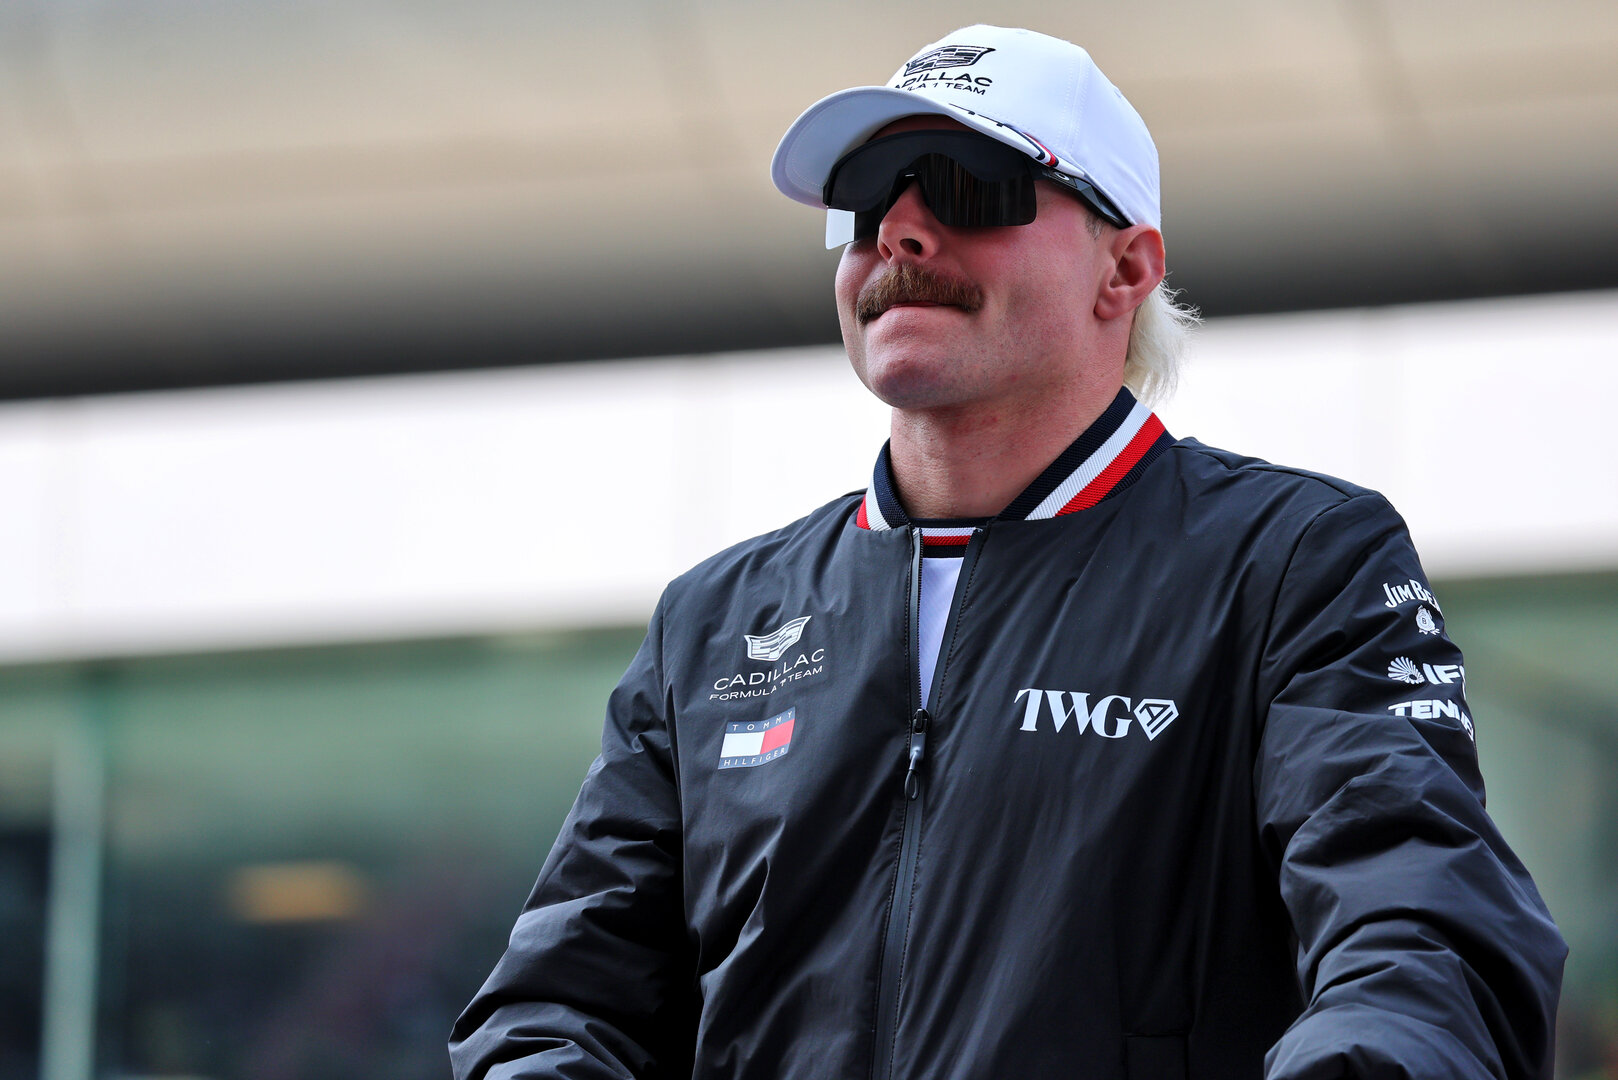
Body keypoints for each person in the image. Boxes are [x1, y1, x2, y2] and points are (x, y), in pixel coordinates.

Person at [451, 24, 1565, 1080]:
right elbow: (560, 1005)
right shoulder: (713, 622)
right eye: (863, 200)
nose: (902, 230)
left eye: (965, 186)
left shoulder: (1294, 563)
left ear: (1123, 271)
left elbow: (1420, 930)